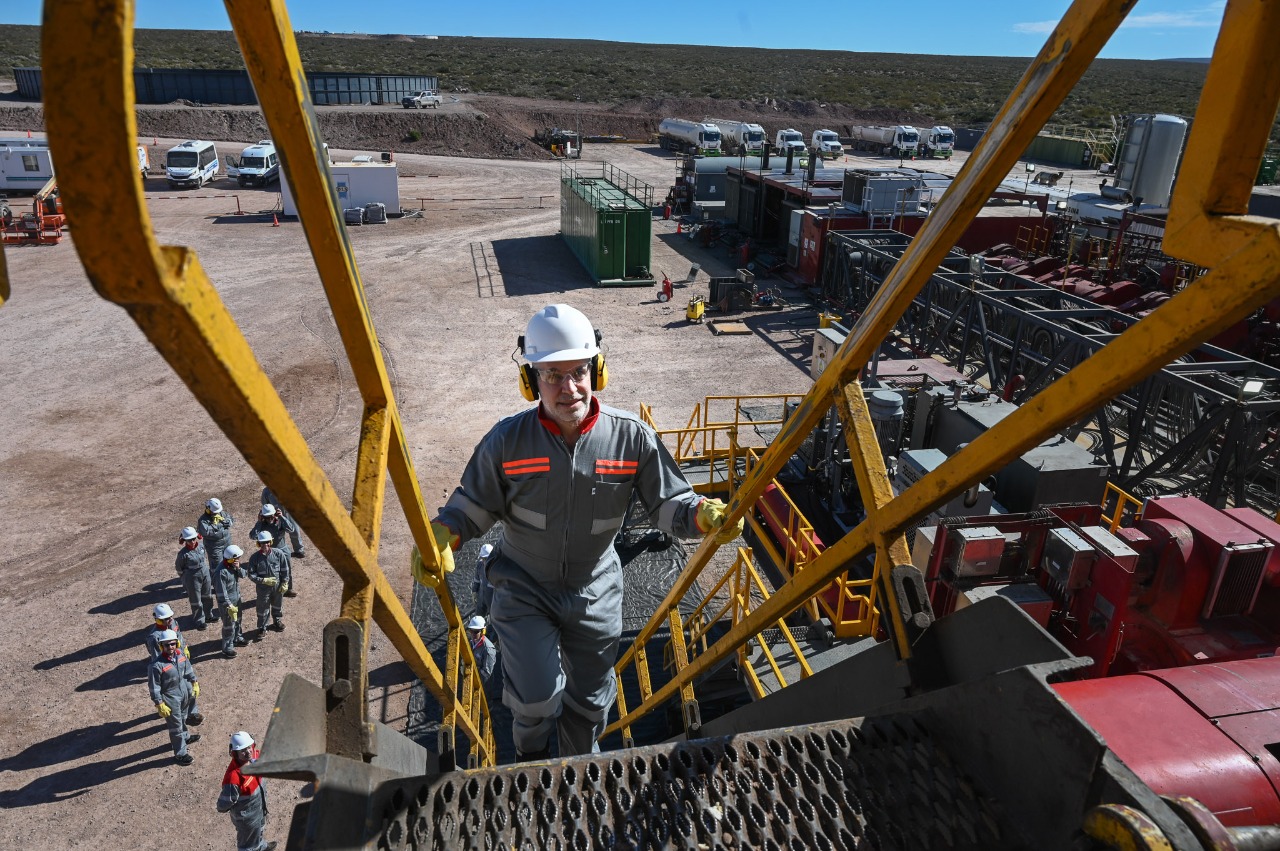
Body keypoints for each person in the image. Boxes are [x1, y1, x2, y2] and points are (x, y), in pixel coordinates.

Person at [415, 304, 743, 759]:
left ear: (598, 371)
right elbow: (472, 503)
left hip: (595, 588)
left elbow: (669, 503)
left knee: (590, 704)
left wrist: (702, 515)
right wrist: (444, 532)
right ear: (530, 381)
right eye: (551, 374)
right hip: (524, 586)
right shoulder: (507, 441)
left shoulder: (631, 438)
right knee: (536, 698)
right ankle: (529, 760)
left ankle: (576, 767)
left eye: (578, 371)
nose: (568, 388)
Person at [148, 628, 202, 766]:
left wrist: (194, 682)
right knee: (175, 727)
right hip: (170, 698)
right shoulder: (156, 665)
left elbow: (188, 670)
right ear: (161, 646)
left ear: (177, 644)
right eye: (166, 645)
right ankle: (180, 753)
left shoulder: (181, 656)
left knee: (183, 717)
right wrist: (159, 703)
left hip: (184, 693)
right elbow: (155, 687)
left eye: (172, 644)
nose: (170, 647)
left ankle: (186, 737)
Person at [217, 731, 278, 851]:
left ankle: (260, 846)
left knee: (259, 829)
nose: (248, 752)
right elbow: (223, 804)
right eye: (243, 750)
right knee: (247, 845)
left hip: (260, 809)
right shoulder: (233, 777)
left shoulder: (254, 756)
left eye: (249, 747)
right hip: (247, 819)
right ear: (235, 753)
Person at [246, 529, 290, 640]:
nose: (265, 545)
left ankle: (277, 621)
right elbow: (251, 575)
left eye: (267, 542)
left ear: (270, 542)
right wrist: (263, 581)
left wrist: (285, 582)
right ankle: (262, 627)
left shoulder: (278, 554)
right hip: (263, 589)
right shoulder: (254, 558)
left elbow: (285, 569)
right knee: (262, 608)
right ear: (258, 543)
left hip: (277, 586)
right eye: (262, 542)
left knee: (277, 605)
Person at [252, 505, 299, 597]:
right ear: (263, 516)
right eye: (267, 517)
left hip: (283, 549)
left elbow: (291, 529)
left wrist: (282, 517)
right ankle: (273, 592)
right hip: (269, 552)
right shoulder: (261, 524)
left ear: (275, 514)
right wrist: (258, 522)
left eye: (271, 516)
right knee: (271, 572)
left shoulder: (280, 521)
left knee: (286, 570)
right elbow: (253, 536)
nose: (269, 518)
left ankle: (288, 589)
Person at [175, 526, 216, 629]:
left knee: (207, 596)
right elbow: (179, 568)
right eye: (189, 540)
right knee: (196, 600)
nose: (192, 541)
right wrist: (185, 579)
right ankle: (199, 621)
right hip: (192, 578)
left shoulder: (201, 547)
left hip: (205, 573)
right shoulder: (183, 554)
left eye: (193, 539)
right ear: (185, 540)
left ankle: (208, 615)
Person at [215, 544, 250, 658]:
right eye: (237, 558)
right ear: (231, 558)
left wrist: (238, 567)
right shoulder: (221, 572)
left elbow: (244, 575)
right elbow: (221, 592)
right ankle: (227, 647)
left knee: (238, 620)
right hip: (227, 604)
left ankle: (237, 637)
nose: (239, 560)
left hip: (237, 599)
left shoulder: (233, 566)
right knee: (228, 625)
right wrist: (229, 605)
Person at [261, 486, 305, 558]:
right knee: (276, 536)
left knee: (295, 532)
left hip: (289, 514)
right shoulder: (266, 491)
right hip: (275, 517)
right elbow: (265, 504)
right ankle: (276, 554)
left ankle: (299, 550)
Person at [197, 497, 235, 572]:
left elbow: (231, 519)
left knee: (230, 559)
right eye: (214, 512)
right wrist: (217, 525)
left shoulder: (222, 513)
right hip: (214, 546)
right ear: (208, 509)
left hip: (227, 542)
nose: (216, 513)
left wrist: (229, 522)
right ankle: (216, 578)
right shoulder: (203, 520)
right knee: (217, 565)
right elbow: (205, 532)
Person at [466, 615, 498, 683]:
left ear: (483, 631)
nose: (473, 634)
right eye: (471, 630)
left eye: (476, 631)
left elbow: (486, 673)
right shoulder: (471, 642)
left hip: (483, 683)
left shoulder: (488, 649)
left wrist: (472, 670)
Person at [472, 543, 495, 617]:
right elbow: (477, 580)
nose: (485, 561)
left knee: (494, 622)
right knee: (479, 618)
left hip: (493, 601)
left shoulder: (497, 569)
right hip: (481, 598)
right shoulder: (480, 565)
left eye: (487, 558)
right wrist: (474, 592)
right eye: (483, 558)